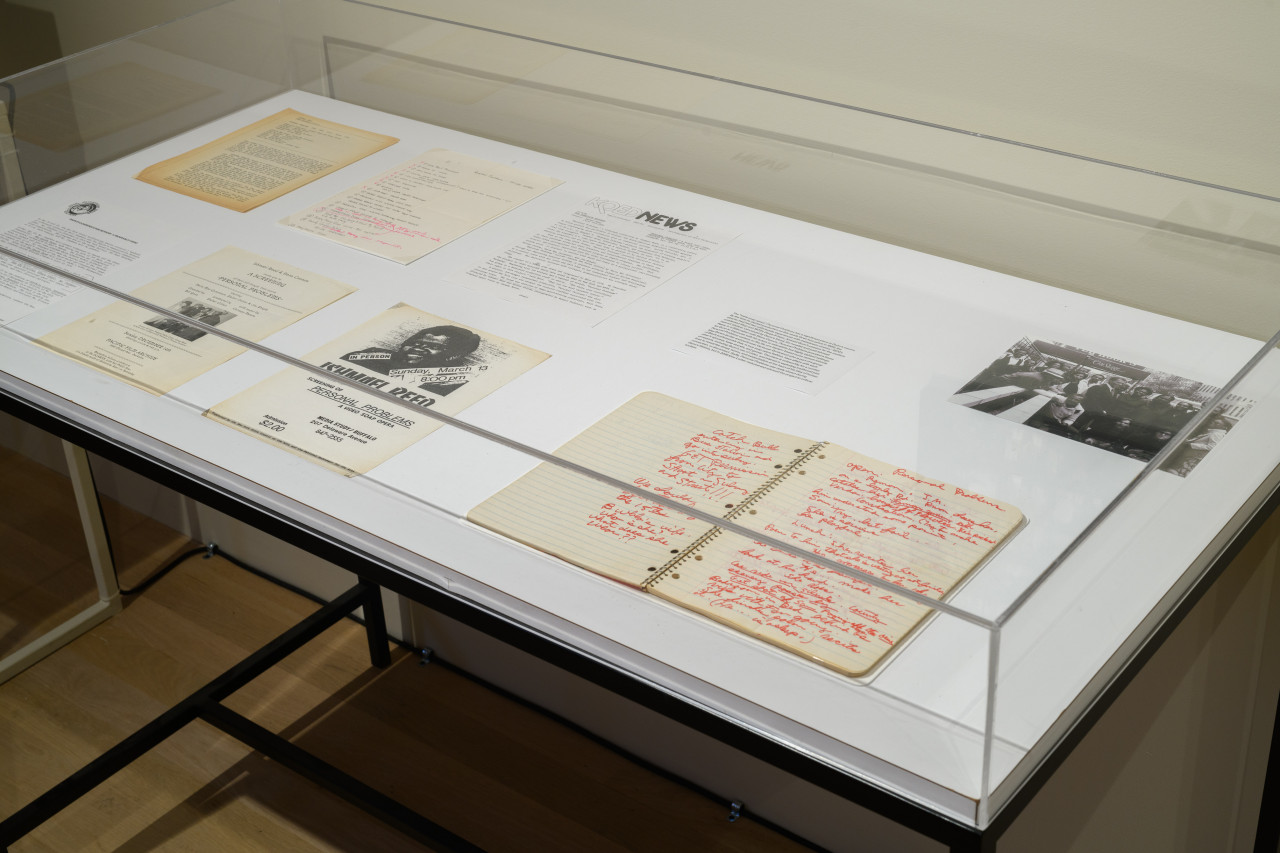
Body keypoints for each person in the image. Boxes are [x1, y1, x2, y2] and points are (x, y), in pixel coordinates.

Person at [343, 325, 482, 392]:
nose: (417, 348)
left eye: (432, 346)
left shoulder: (454, 381)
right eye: (414, 343)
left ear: (454, 355)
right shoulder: (371, 355)